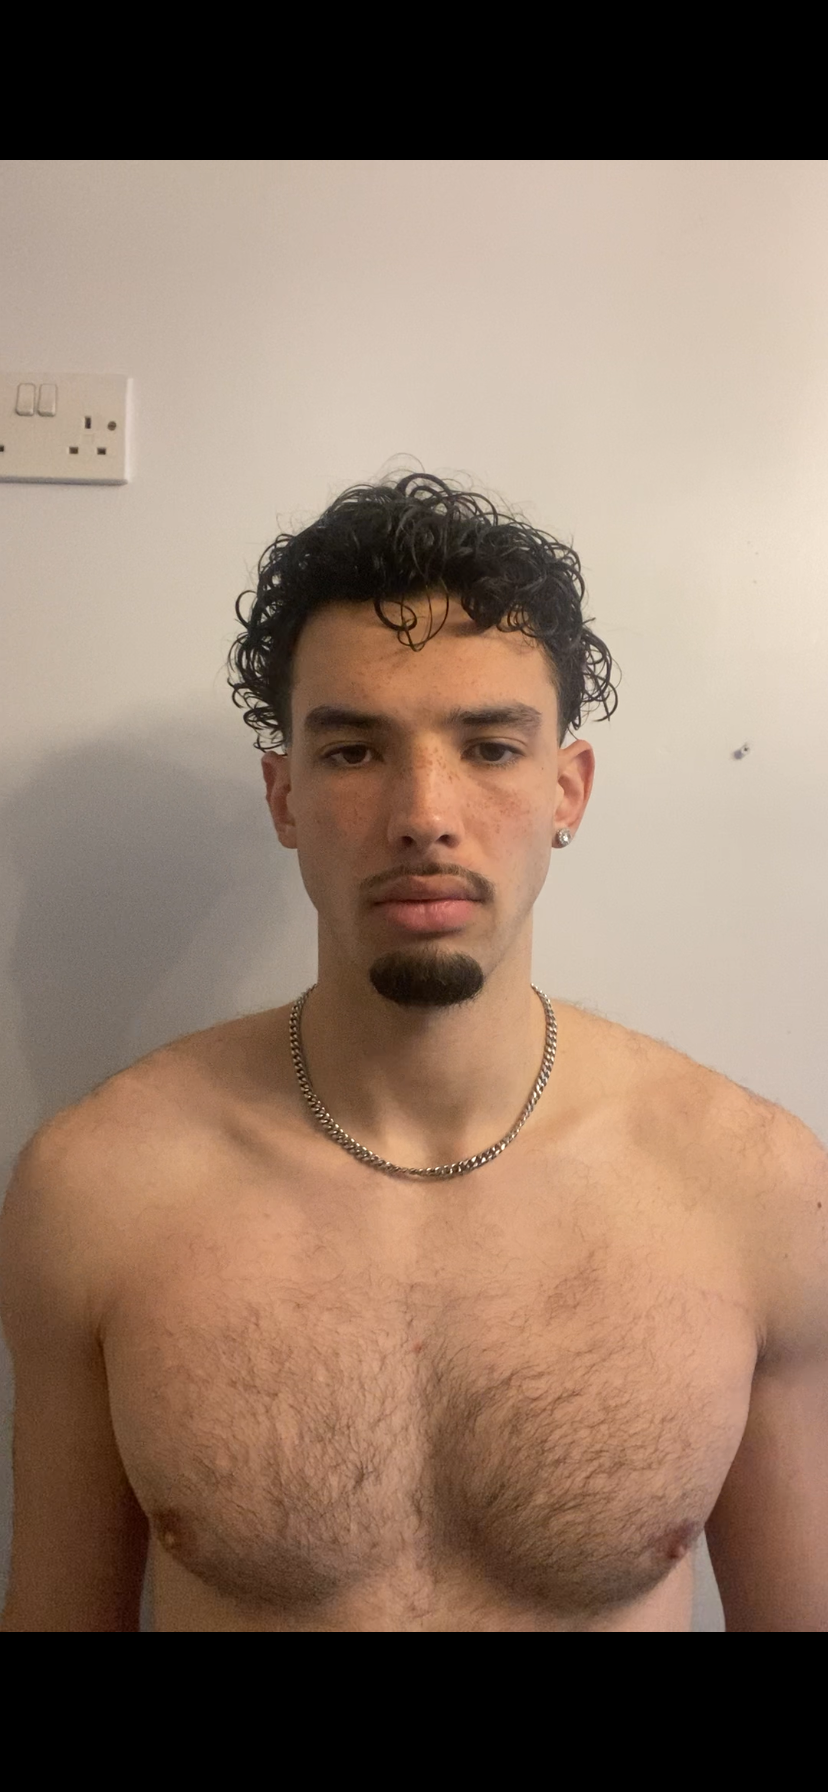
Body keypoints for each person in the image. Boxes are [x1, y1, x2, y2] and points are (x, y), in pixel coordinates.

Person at [2, 473, 827, 1633]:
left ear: (567, 791)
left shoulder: (756, 1188)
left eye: (489, 747)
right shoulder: (98, 1189)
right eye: (354, 752)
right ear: (285, 796)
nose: (424, 813)